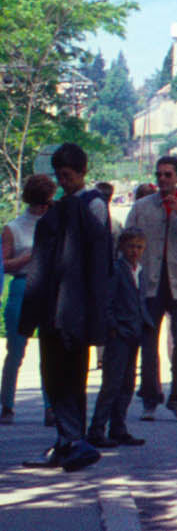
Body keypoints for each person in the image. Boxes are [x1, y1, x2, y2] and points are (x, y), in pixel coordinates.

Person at [18, 143, 110, 472]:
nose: (63, 181)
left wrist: (28, 320)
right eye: (60, 176)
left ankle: (73, 441)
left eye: (68, 175)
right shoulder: (75, 209)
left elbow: (95, 267)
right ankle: (68, 441)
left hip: (67, 311)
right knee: (63, 377)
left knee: (63, 377)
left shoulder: (79, 210)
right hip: (66, 311)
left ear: (82, 173)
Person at [128, 153, 177, 420]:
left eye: (168, 174)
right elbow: (126, 241)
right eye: (159, 174)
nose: (162, 179)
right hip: (150, 283)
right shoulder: (141, 207)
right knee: (148, 344)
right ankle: (150, 399)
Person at [87, 228, 149, 450]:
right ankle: (96, 429)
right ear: (122, 247)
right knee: (111, 384)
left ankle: (118, 428)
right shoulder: (116, 270)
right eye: (131, 246)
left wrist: (145, 324)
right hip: (119, 334)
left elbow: (141, 301)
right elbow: (106, 302)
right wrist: (113, 327)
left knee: (128, 383)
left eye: (139, 247)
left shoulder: (139, 270)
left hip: (135, 332)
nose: (135, 251)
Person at [1, 172, 56, 423]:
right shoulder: (13, 228)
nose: (43, 207)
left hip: (47, 288)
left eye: (46, 202)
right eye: (40, 202)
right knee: (16, 350)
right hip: (22, 285)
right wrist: (25, 259)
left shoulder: (54, 224)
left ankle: (50, 406)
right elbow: (4, 263)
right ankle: (7, 405)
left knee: (49, 349)